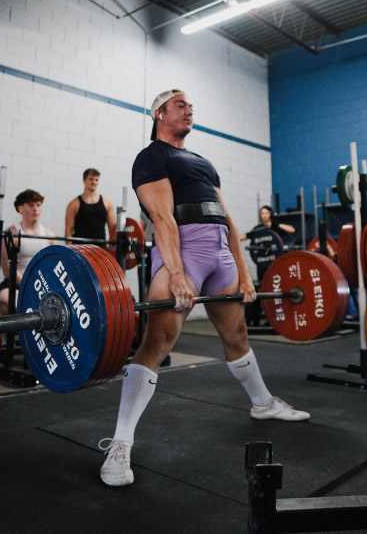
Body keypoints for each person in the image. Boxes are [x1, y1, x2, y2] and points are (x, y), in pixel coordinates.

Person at [99, 89, 310, 488]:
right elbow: (162, 216)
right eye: (180, 104)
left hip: (220, 254)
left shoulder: (203, 162)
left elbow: (226, 217)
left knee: (237, 335)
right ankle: (120, 444)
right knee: (158, 342)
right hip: (186, 250)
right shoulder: (152, 157)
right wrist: (176, 272)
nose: (189, 109)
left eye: (191, 105)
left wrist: (245, 273)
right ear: (159, 113)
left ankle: (263, 404)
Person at [0, 189, 56, 315]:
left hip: (41, 285)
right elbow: (6, 269)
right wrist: (28, 283)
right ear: (21, 208)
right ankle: (4, 334)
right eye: (31, 205)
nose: (35, 208)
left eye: (38, 205)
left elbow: (53, 266)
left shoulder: (49, 235)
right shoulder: (11, 233)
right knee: (8, 301)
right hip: (14, 285)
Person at [65, 168, 116, 242]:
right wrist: (69, 251)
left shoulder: (107, 203)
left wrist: (113, 250)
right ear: (84, 180)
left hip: (100, 249)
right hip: (80, 249)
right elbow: (68, 229)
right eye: (91, 179)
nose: (94, 182)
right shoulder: (74, 204)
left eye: (96, 180)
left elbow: (112, 229)